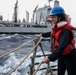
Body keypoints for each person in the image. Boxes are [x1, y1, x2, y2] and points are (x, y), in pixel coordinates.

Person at [40, 6, 76, 75]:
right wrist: (42, 35)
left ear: (59, 17)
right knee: (60, 72)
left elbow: (62, 45)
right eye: (51, 17)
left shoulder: (65, 30)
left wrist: (50, 58)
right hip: (62, 55)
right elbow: (53, 34)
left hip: (70, 55)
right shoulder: (58, 27)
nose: (52, 19)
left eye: (54, 17)